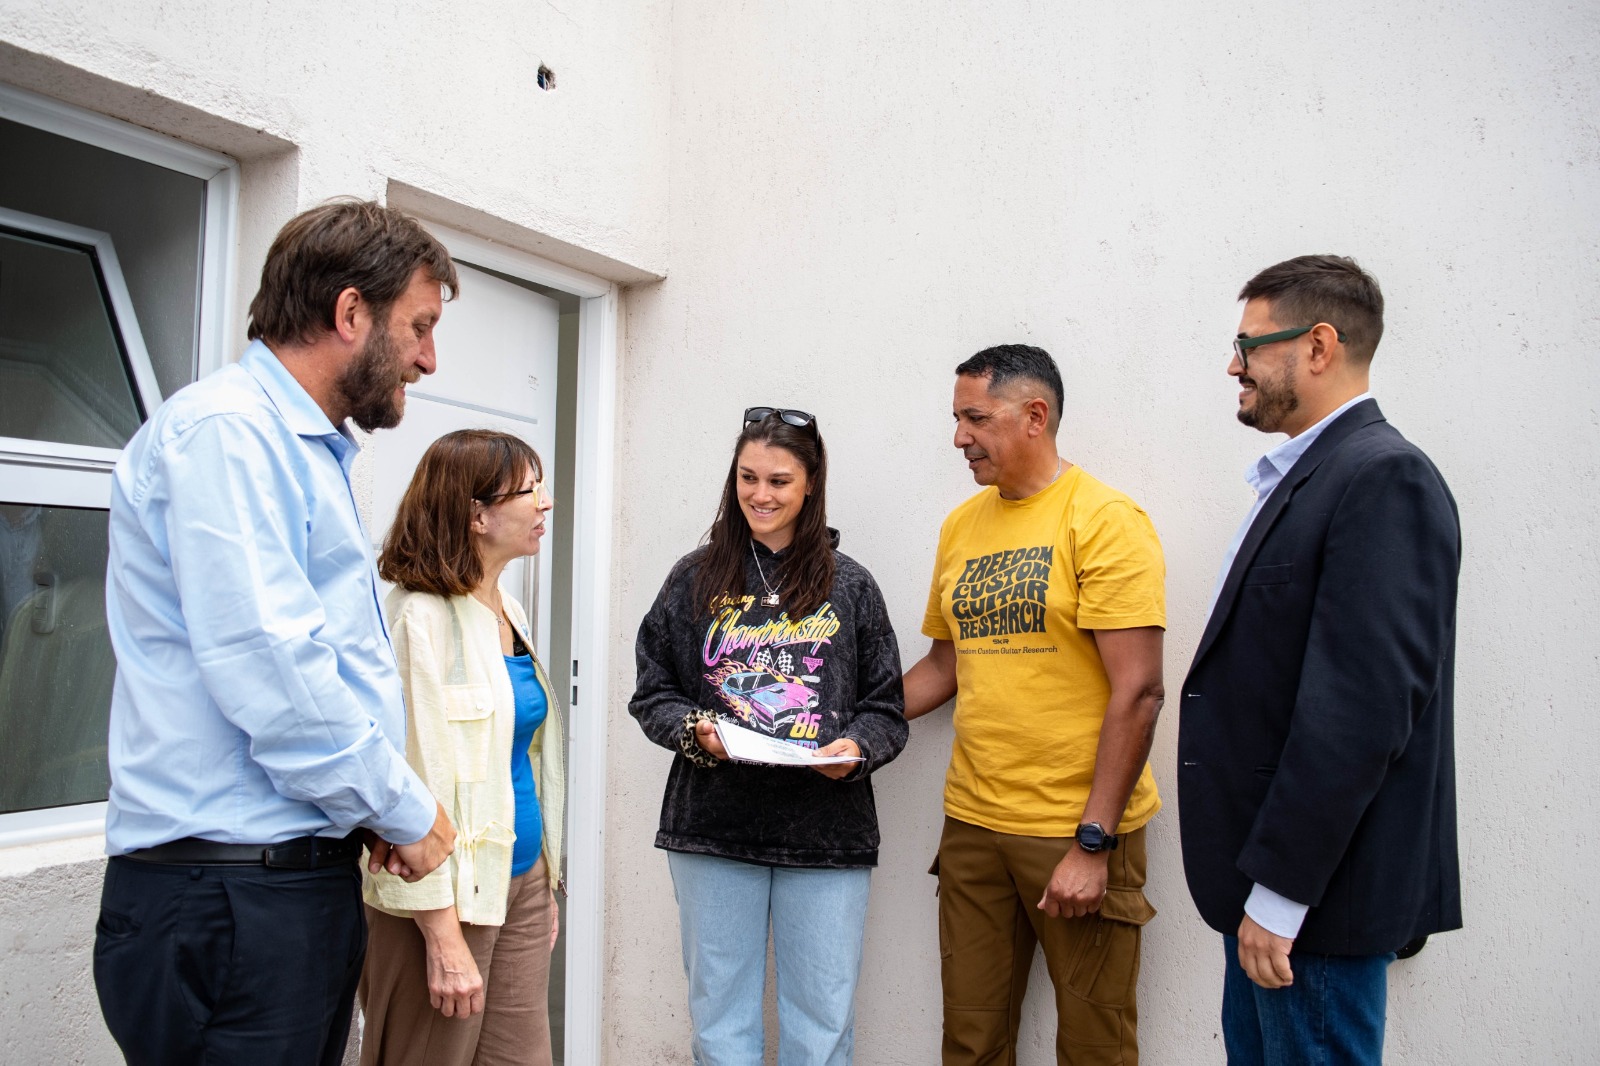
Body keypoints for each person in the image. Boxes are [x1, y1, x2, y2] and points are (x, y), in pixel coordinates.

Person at [94, 200, 460, 1066]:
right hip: (229, 896)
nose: (428, 359)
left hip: (276, 888)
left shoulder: (296, 447)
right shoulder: (229, 435)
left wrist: (364, 810)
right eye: (418, 327)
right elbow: (274, 669)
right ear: (349, 313)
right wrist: (402, 809)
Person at [1178, 255, 1462, 1065]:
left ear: (1318, 345)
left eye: (1249, 344)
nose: (1234, 365)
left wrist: (1281, 896)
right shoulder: (1305, 477)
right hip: (1268, 897)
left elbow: (1360, 712)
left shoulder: (1383, 478)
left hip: (1312, 910)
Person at [903, 345, 1167, 1065]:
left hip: (1075, 829)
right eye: (957, 419)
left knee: (1094, 1050)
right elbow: (945, 666)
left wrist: (1094, 842)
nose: (959, 437)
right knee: (971, 1044)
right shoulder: (962, 525)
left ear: (1034, 416)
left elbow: (1139, 691)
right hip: (973, 824)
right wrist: (850, 722)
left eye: (975, 418)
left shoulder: (1105, 519)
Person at [630, 407, 908, 1066]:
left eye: (779, 481)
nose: (760, 494)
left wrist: (858, 750)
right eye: (748, 478)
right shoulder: (694, 577)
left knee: (822, 1028)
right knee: (720, 1027)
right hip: (713, 830)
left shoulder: (851, 585)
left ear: (810, 484)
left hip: (827, 833)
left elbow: (885, 708)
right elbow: (653, 693)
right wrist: (695, 731)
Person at [359, 429, 566, 1066]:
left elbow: (521, 754)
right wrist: (442, 935)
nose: (546, 502)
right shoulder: (416, 617)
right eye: (530, 490)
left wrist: (543, 884)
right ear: (477, 515)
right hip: (445, 902)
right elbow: (406, 782)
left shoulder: (507, 608)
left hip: (518, 880)